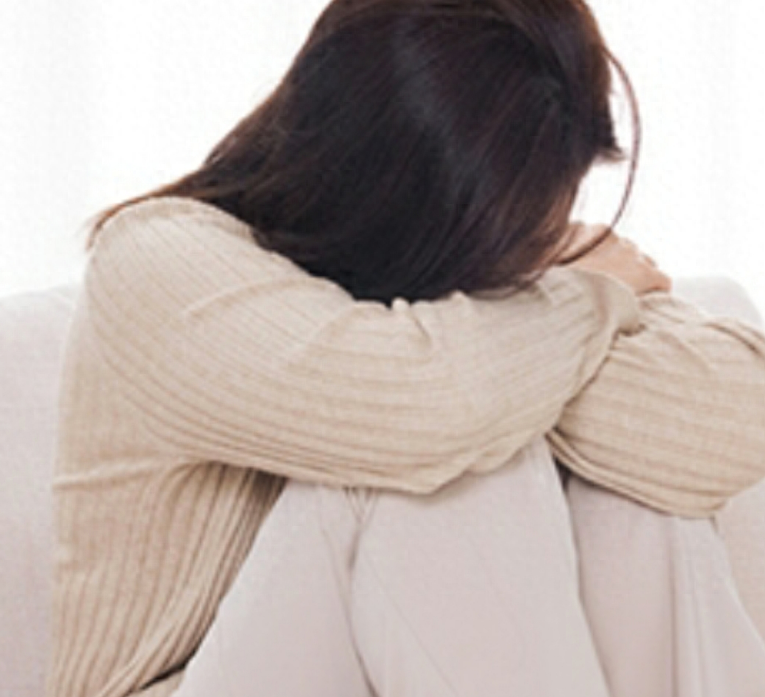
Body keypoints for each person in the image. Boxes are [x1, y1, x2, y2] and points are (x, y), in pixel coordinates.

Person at [47, 0, 765, 696]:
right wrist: (586, 296)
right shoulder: (156, 260)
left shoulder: (502, 297)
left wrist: (543, 315)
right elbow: (427, 402)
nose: (543, 236)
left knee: (631, 483)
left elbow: (741, 412)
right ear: (406, 191)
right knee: (441, 457)